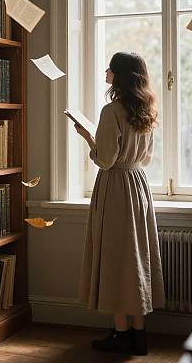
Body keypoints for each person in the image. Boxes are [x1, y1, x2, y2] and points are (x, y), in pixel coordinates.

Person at [75, 52, 165, 355]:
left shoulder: (111, 111)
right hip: (138, 186)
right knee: (136, 259)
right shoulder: (147, 111)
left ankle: (121, 333)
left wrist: (88, 137)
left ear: (120, 75)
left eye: (110, 68)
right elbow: (147, 157)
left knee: (115, 259)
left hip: (115, 187)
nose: (105, 71)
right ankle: (139, 335)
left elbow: (105, 159)